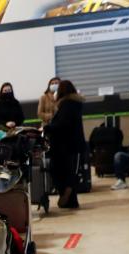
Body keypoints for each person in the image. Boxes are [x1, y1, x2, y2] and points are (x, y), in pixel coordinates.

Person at [43, 80, 85, 209]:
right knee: (69, 171)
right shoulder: (74, 103)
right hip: (73, 144)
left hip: (64, 145)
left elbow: (62, 125)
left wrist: (47, 128)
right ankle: (70, 199)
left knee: (60, 171)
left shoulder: (67, 104)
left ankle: (66, 193)